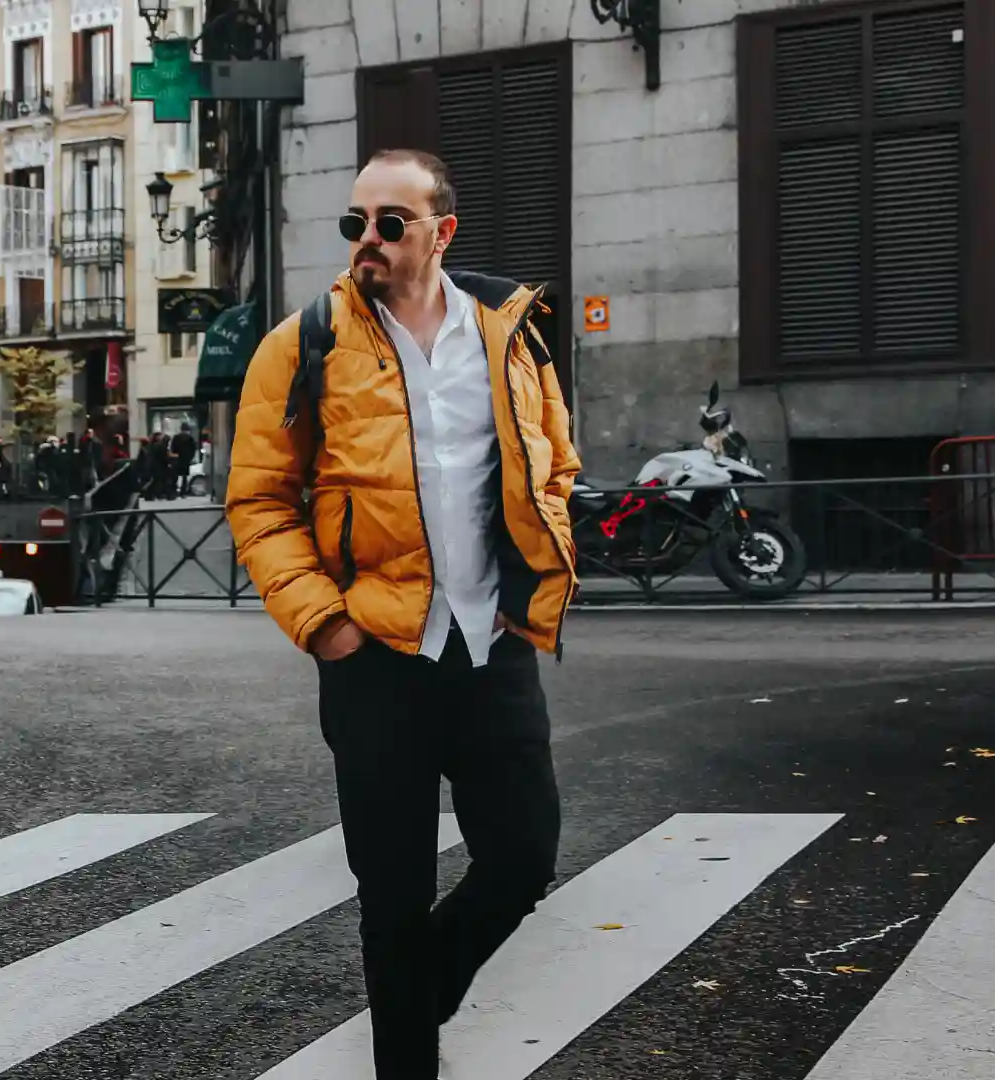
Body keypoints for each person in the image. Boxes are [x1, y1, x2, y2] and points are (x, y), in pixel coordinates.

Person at [224, 148, 580, 1079]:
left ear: (441, 232)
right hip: (373, 653)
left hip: (489, 645)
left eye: (391, 223)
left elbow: (555, 469)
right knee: (391, 896)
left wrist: (528, 587)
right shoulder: (302, 344)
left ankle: (417, 996)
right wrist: (325, 626)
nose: (367, 241)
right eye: (355, 223)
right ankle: (405, 1059)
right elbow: (259, 503)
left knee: (522, 858)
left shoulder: (513, 336)